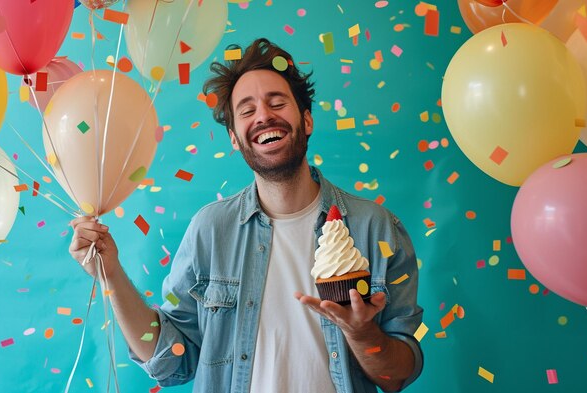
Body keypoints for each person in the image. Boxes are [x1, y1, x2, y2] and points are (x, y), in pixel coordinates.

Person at [69, 38, 423, 393]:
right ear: (235, 139)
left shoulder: (375, 227)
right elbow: (171, 361)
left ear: (307, 119)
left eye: (277, 102)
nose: (264, 116)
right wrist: (111, 275)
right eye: (247, 110)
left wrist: (362, 334)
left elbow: (398, 376)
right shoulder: (210, 230)